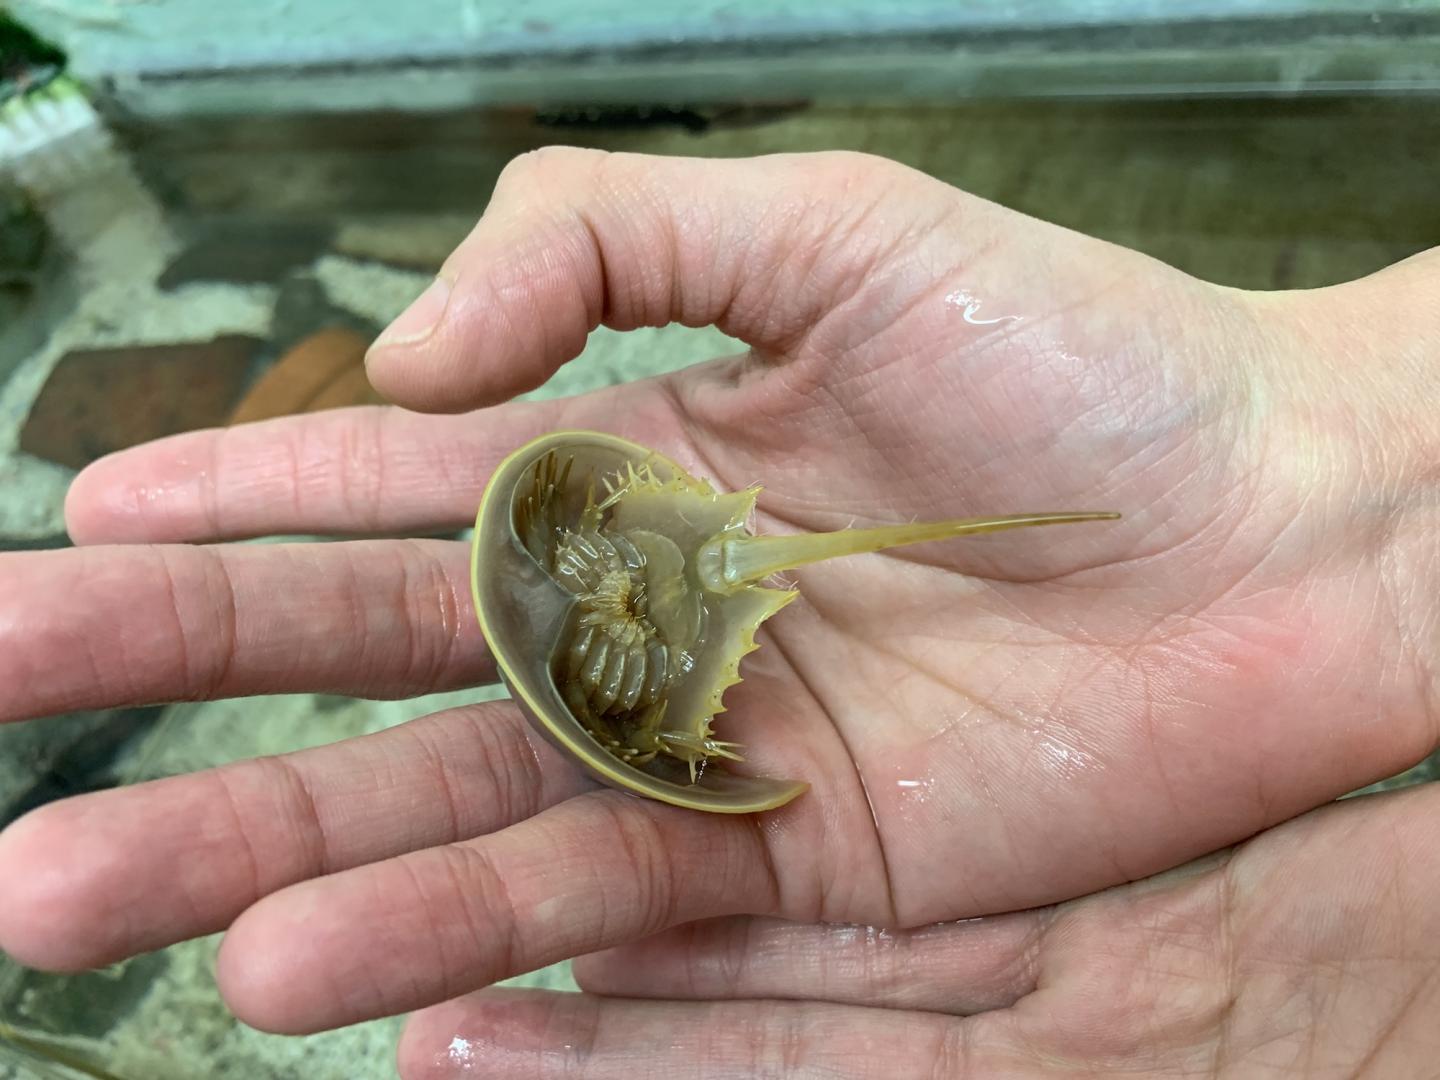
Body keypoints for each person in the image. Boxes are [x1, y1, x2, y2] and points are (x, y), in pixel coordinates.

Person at [0, 148, 1436, 1078]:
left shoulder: (637, 553)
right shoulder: (624, 580)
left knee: (710, 581)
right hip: (644, 590)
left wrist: (1323, 443)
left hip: (648, 574)